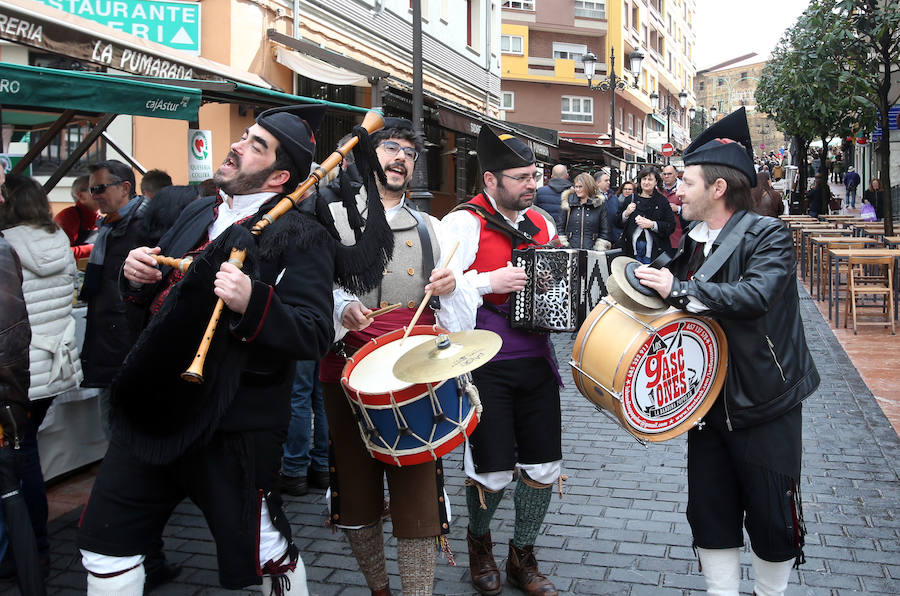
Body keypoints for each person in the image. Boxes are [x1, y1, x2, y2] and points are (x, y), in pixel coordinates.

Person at [77, 105, 341, 595]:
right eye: (244, 135)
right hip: (154, 410)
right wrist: (137, 275)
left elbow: (312, 333)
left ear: (280, 176)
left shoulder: (302, 234)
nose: (238, 145)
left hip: (232, 423)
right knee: (105, 546)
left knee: (265, 551)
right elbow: (155, 304)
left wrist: (251, 301)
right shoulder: (197, 211)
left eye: (256, 145)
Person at [634, 107, 819, 596]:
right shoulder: (691, 241)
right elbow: (663, 286)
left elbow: (755, 295)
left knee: (772, 512)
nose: (677, 191)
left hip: (765, 400)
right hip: (708, 400)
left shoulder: (768, 234)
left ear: (717, 188)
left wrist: (678, 288)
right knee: (711, 509)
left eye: (687, 182)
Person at [320, 117, 468, 596]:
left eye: (409, 151)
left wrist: (452, 287)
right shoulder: (333, 218)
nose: (400, 157)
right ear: (369, 157)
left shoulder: (430, 227)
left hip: (412, 374)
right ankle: (379, 589)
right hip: (348, 369)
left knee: (418, 500)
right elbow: (309, 289)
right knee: (358, 497)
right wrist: (342, 307)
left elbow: (457, 314)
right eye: (390, 148)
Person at [442, 125, 562, 596]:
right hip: (483, 364)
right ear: (490, 180)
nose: (532, 184)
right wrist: (489, 282)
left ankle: (523, 557)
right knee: (491, 468)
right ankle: (479, 546)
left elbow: (555, 286)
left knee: (543, 466)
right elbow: (442, 298)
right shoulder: (462, 223)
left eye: (534, 175)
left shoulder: (543, 224)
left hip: (537, 360)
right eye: (521, 177)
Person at [0, 174, 83, 573]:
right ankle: (35, 547)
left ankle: (30, 549)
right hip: (51, 363)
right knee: (26, 452)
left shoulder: (8, 244)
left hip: (18, 368)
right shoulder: (57, 239)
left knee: (19, 458)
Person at [79, 160, 149, 435]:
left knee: (125, 423)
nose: (94, 195)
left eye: (100, 188)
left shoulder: (144, 225)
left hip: (127, 340)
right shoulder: (108, 227)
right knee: (111, 420)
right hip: (107, 337)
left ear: (125, 188)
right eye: (91, 189)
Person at [279, 359, 329, 497]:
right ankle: (323, 466)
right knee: (322, 397)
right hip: (327, 339)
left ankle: (295, 470)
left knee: (298, 396)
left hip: (303, 340)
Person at [616, 165, 675, 264]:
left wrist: (652, 225)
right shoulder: (630, 198)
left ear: (656, 182)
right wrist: (626, 214)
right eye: (644, 179)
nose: (646, 182)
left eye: (650, 179)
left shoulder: (662, 201)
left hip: (654, 251)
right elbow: (617, 222)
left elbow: (671, 225)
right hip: (631, 250)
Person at [558, 172, 611, 250]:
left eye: (580, 187)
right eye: (576, 187)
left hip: (592, 251)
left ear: (588, 187)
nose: (577, 189)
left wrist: (598, 247)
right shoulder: (568, 202)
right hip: (570, 250)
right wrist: (564, 244)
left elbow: (605, 230)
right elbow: (560, 226)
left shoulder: (599, 204)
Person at [54, 174, 98, 260]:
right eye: (95, 190)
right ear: (81, 196)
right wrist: (96, 248)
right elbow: (59, 253)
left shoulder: (100, 218)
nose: (102, 194)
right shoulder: (68, 217)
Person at [535, 164, 569, 229]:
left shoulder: (540, 192)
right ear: (567, 176)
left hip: (546, 231)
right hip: (566, 234)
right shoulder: (573, 193)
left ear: (552, 176)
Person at [661, 164, 684, 251]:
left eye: (669, 174)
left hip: (677, 235)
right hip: (661, 235)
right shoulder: (657, 189)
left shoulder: (683, 188)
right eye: (664, 174)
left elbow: (695, 210)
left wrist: (678, 209)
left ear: (676, 174)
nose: (666, 176)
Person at [595, 171, 620, 243]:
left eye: (608, 180)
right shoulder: (592, 197)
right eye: (606, 180)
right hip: (598, 239)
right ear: (597, 183)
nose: (609, 182)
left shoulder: (614, 198)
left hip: (613, 237)